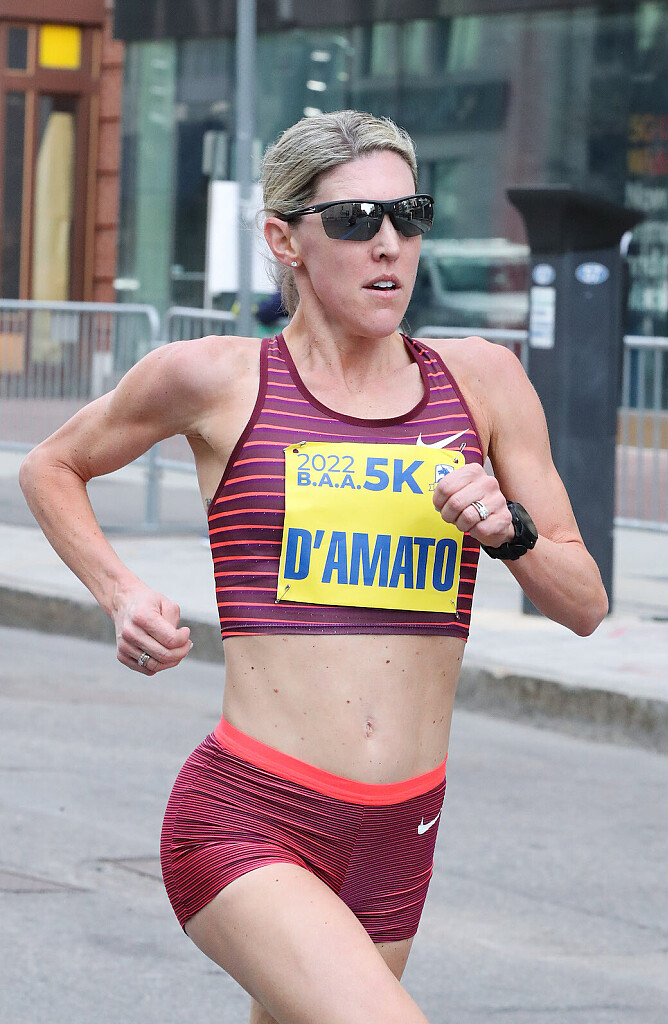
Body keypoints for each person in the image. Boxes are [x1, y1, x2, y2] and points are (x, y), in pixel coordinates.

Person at [20, 110, 608, 1024]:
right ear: (283, 239)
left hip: (401, 830)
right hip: (249, 814)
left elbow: (585, 604)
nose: (389, 244)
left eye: (408, 216)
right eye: (354, 220)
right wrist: (120, 592)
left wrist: (510, 533)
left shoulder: (481, 381)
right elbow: (52, 464)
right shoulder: (214, 378)